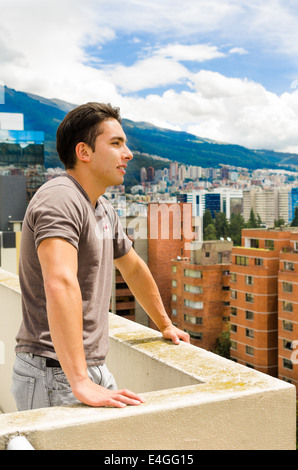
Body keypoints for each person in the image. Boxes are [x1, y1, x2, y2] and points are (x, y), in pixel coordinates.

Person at [12, 102, 190, 411]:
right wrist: (80, 382)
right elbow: (61, 282)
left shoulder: (102, 207)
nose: (129, 154)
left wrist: (165, 325)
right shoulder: (60, 198)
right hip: (54, 371)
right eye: (116, 143)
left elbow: (133, 268)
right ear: (84, 152)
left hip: (88, 368)